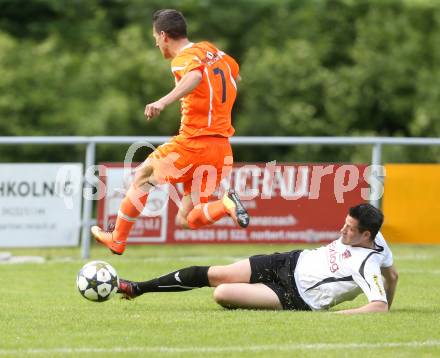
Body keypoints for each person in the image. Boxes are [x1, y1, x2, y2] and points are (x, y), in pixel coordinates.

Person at [91, 9, 249, 255]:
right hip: (220, 148)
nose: (156, 43)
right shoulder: (213, 51)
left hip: (193, 142)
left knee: (142, 176)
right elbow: (235, 75)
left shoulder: (184, 59)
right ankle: (225, 205)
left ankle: (117, 239)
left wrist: (163, 102)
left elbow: (195, 75)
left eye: (155, 37)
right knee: (187, 219)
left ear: (164, 35)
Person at [117, 203, 399, 314]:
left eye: (349, 229)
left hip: (295, 296)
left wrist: (339, 316)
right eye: (345, 223)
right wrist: (391, 289)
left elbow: (378, 307)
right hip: (289, 261)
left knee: (222, 294)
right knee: (218, 274)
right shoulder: (378, 239)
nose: (342, 230)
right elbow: (393, 276)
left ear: (366, 235)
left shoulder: (366, 264)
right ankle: (138, 288)